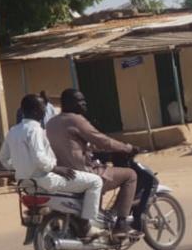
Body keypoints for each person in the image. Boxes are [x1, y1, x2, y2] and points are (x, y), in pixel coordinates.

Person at [0, 94, 105, 238]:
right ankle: (86, 226)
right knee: (95, 181)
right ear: (36, 111)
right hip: (45, 180)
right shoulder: (35, 130)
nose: (45, 110)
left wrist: (21, 165)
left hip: (26, 184)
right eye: (43, 107)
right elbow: (40, 158)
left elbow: (3, 158)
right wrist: (56, 168)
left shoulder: (13, 131)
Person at [46, 89, 140, 238]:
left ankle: (99, 219)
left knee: (104, 173)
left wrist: (92, 150)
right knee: (130, 175)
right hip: (83, 172)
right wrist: (127, 148)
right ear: (68, 103)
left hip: (63, 173)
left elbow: (74, 144)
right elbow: (102, 140)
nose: (84, 103)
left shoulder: (51, 123)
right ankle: (121, 225)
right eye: (79, 100)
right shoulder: (75, 119)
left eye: (84, 100)